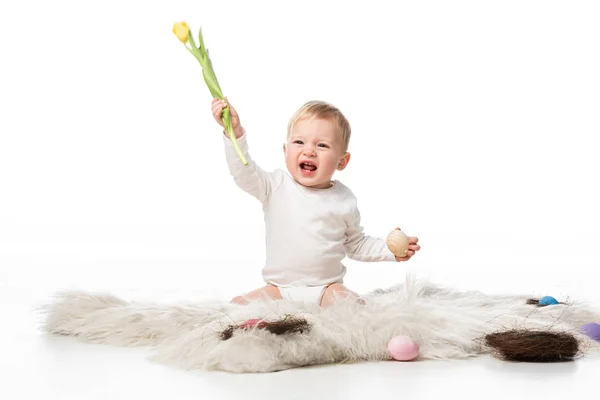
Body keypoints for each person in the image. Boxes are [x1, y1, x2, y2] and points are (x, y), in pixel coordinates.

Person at [211, 98, 420, 308]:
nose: (309, 151)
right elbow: (243, 172)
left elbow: (356, 244)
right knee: (234, 307)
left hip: (326, 290)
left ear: (342, 161)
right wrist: (234, 133)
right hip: (279, 290)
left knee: (354, 305)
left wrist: (389, 249)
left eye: (322, 145)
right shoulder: (274, 186)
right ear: (286, 151)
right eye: (299, 142)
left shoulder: (344, 199)